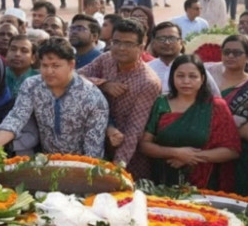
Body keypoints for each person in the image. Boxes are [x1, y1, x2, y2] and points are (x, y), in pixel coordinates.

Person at [0, 37, 109, 158]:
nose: (48, 72)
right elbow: (16, 119)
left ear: (71, 65)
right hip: (44, 163)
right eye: (44, 65)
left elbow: (93, 150)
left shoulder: (92, 97)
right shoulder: (32, 85)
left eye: (55, 66)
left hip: (80, 166)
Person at [140, 54, 240, 191]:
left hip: (205, 184)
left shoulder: (215, 106)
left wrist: (191, 157)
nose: (186, 81)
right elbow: (145, 145)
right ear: (172, 78)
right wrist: (175, 153)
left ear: (202, 79)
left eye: (193, 76)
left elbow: (232, 150)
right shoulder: (161, 103)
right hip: (162, 181)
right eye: (180, 76)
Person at [78, 19, 162, 178]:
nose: (121, 48)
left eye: (129, 44)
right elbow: (74, 77)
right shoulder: (106, 59)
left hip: (129, 154)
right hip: (95, 141)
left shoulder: (148, 82)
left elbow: (134, 130)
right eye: (116, 42)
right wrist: (103, 84)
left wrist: (116, 170)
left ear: (141, 47)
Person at [147, 22, 219, 96]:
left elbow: (214, 95)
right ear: (154, 43)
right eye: (162, 39)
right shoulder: (148, 69)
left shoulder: (194, 66)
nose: (167, 43)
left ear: (181, 43)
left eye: (172, 38)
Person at [216, 35, 248, 194]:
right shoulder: (208, 80)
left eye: (236, 53)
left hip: (240, 157)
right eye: (226, 52)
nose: (230, 56)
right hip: (204, 152)